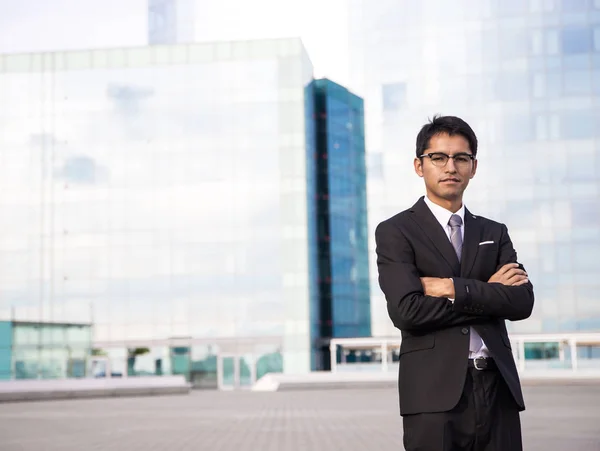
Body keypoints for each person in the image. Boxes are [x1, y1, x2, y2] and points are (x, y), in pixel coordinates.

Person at [374, 115, 534, 451]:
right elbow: (407, 312)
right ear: (419, 166)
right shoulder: (396, 231)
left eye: (461, 158)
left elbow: (522, 302)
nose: (451, 166)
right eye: (439, 157)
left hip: (498, 390)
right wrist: (489, 292)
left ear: (473, 167)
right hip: (433, 396)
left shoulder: (494, 232)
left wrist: (451, 288)